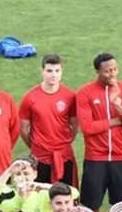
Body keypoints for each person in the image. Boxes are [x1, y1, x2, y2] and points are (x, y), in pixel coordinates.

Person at [76, 52, 122, 211]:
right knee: (90, 207)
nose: (112, 74)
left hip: (121, 157)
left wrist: (118, 106)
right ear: (97, 71)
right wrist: (117, 121)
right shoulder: (85, 93)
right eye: (107, 71)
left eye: (115, 69)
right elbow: (87, 128)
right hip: (95, 158)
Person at [19, 54, 78, 186]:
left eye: (57, 71)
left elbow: (75, 125)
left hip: (63, 155)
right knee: (40, 197)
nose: (53, 75)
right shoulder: (30, 97)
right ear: (42, 71)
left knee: (66, 197)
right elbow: (23, 129)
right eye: (49, 71)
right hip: (40, 156)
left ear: (62, 71)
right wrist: (35, 145)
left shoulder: (70, 96)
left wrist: (65, 142)